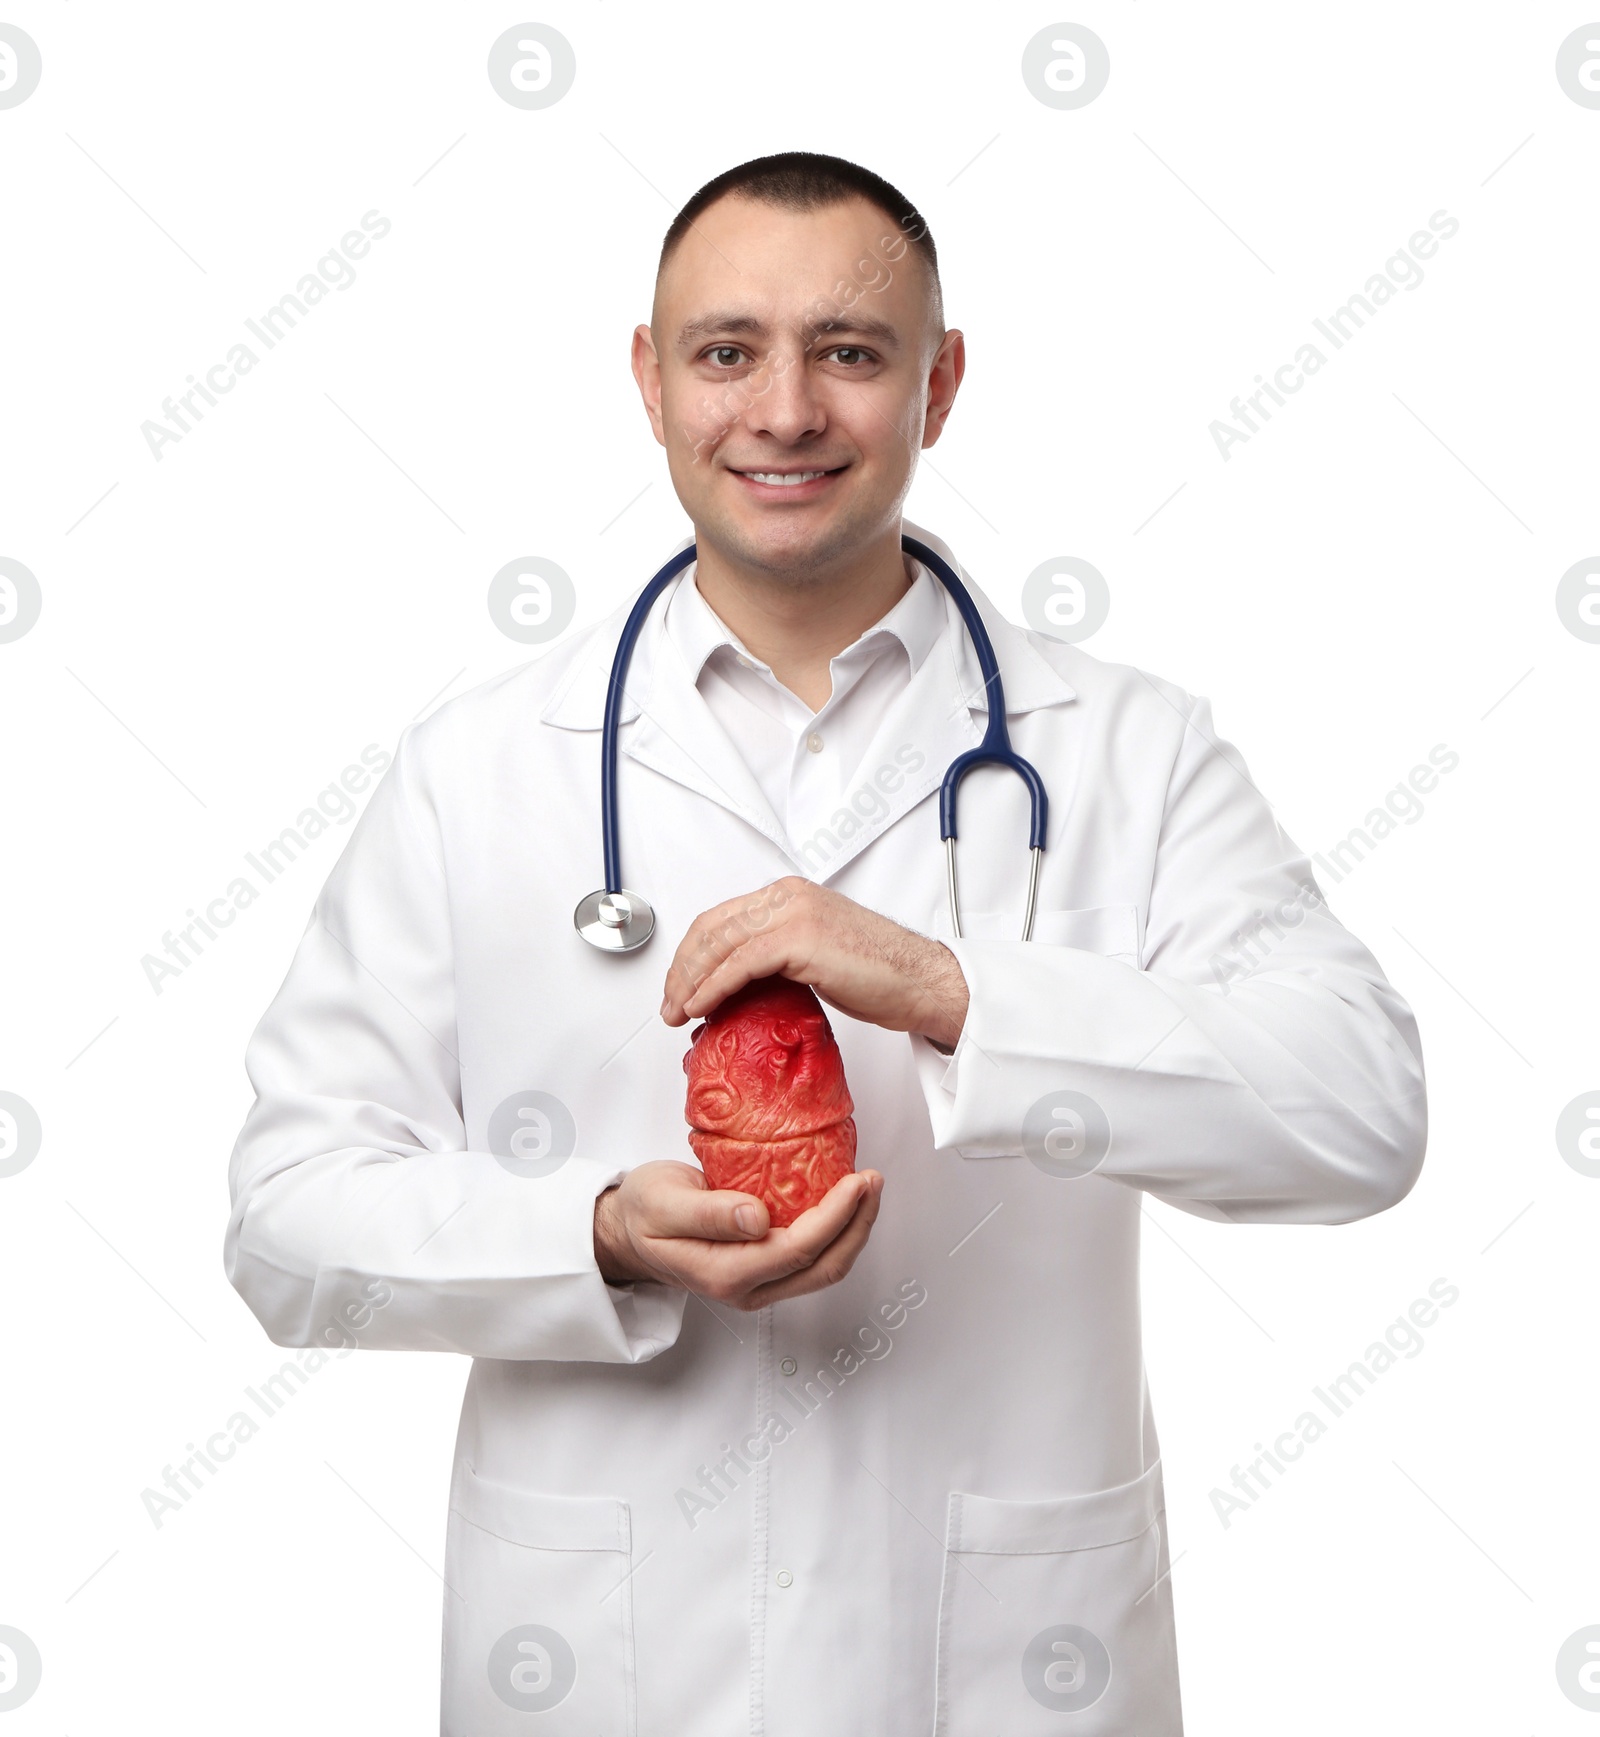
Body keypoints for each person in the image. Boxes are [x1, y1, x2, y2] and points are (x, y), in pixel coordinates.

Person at [225, 151, 1427, 1734]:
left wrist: (948, 987)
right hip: (605, 1661)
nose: (784, 409)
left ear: (938, 388)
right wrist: (589, 1233)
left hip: (1007, 1659)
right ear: (650, 384)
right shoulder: (481, 768)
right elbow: (288, 1224)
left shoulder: (1128, 748)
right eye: (727, 350)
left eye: (850, 353)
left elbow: (1362, 1113)